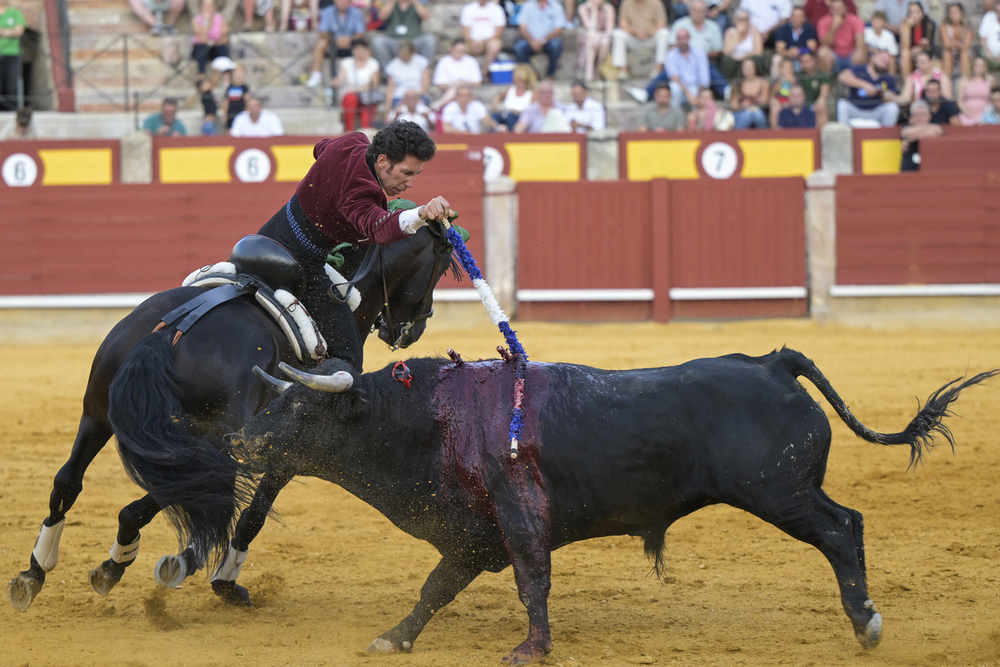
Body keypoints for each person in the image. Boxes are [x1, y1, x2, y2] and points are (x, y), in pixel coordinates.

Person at [255, 121, 449, 370]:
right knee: (349, 356)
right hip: (300, 263)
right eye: (406, 173)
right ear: (382, 162)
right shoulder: (360, 191)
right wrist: (420, 213)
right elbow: (379, 229)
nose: (410, 183)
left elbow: (320, 148)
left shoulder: (352, 142)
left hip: (266, 238)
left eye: (415, 174)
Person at [670, 0, 727, 97]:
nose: (699, 14)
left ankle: (727, 92)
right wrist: (687, 52)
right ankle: (647, 92)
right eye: (696, 11)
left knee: (708, 68)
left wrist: (701, 56)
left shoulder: (713, 27)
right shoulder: (679, 24)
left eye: (702, 11)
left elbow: (718, 50)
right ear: (690, 11)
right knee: (668, 72)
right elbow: (671, 46)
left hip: (706, 60)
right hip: (682, 61)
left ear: (706, 12)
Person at [304, 0, 366, 88]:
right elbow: (323, 32)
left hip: (350, 43)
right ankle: (316, 74)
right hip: (332, 43)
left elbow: (361, 32)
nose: (342, 2)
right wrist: (336, 40)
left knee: (362, 45)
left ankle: (363, 75)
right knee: (321, 43)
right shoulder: (327, 12)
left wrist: (349, 39)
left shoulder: (356, 13)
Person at [645, 28, 709, 107]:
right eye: (679, 38)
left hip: (695, 86)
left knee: (700, 93)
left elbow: (704, 79)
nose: (682, 41)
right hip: (680, 86)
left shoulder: (700, 53)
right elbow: (674, 78)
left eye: (684, 38)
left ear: (689, 38)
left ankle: (697, 116)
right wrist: (688, 94)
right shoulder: (670, 54)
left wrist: (698, 95)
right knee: (674, 87)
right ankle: (675, 113)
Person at [836, 50, 899, 127]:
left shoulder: (888, 78)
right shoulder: (859, 69)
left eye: (886, 63)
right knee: (842, 104)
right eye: (882, 60)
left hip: (875, 112)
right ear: (873, 58)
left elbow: (892, 97)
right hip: (856, 109)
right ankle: (843, 134)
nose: (883, 65)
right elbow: (842, 77)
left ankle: (886, 136)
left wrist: (883, 94)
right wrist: (864, 85)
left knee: (892, 108)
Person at [611, 0, 670, 79]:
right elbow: (623, 24)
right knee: (618, 34)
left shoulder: (656, 3)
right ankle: (623, 71)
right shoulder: (626, 3)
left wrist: (648, 32)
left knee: (664, 33)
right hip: (633, 38)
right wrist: (635, 32)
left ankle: (658, 69)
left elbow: (661, 23)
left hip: (650, 38)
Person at [333, 38, 381, 131]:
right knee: (350, 97)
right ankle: (348, 130)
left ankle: (367, 135)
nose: (360, 53)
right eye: (357, 50)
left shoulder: (373, 63)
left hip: (367, 97)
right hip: (350, 96)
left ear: (367, 51)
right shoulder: (346, 62)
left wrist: (355, 89)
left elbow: (374, 84)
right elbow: (341, 79)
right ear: (353, 51)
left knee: (366, 121)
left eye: (362, 50)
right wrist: (337, 81)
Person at [513, 0, 567, 80]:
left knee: (556, 46)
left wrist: (542, 41)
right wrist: (532, 41)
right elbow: (522, 27)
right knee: (519, 47)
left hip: (548, 40)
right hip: (530, 40)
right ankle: (532, 75)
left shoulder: (556, 6)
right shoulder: (528, 6)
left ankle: (550, 75)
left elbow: (559, 29)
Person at [371, 0, 435, 69]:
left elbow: (426, 16)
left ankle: (424, 71)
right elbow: (381, 16)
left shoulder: (417, 4)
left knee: (429, 40)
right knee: (378, 41)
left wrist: (414, 2)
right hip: (394, 40)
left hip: (414, 41)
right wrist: (392, 2)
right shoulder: (391, 4)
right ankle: (388, 73)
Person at [431, 38, 483, 110]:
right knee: (455, 89)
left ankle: (439, 104)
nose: (460, 53)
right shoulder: (443, 62)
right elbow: (441, 86)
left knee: (461, 90)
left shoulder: (471, 61)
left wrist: (463, 83)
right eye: (458, 50)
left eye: (463, 51)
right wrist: (455, 84)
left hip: (469, 92)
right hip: (449, 91)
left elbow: (477, 83)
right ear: (451, 49)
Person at [816, 0, 865, 74]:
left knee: (861, 52)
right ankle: (828, 82)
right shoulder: (822, 22)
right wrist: (834, 27)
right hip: (834, 54)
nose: (838, 11)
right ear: (830, 10)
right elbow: (825, 44)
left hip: (851, 54)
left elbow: (860, 41)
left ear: (846, 9)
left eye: (840, 8)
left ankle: (854, 80)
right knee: (822, 52)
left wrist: (859, 51)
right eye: (835, 9)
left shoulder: (856, 20)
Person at [460, 0, 505, 76]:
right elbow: (465, 32)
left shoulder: (497, 9)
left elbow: (498, 33)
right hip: (472, 41)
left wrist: (482, 42)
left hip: (490, 41)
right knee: (460, 47)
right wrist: (474, 42)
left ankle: (484, 73)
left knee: (495, 46)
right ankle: (465, 75)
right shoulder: (468, 9)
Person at [384, 39, 430, 111]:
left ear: (412, 53)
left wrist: (413, 97)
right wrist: (388, 108)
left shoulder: (421, 62)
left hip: (418, 95)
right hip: (400, 96)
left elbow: (425, 85)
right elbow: (391, 88)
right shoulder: (392, 66)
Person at [191, 0, 231, 84]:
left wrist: (212, 42)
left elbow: (225, 37)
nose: (209, 8)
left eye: (211, 5)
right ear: (201, 7)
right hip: (201, 49)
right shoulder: (196, 20)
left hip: (215, 47)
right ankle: (201, 75)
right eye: (206, 5)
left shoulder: (220, 18)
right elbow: (202, 37)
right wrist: (206, 21)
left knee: (222, 48)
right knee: (202, 47)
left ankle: (227, 76)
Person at [771, 6, 817, 75]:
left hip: (802, 55)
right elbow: (779, 49)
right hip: (787, 56)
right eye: (795, 17)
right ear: (790, 17)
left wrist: (800, 51)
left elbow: (812, 47)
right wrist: (789, 53)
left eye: (800, 17)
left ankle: (809, 81)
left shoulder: (809, 28)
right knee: (777, 58)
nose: (797, 19)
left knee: (808, 58)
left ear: (804, 18)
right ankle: (776, 82)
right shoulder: (782, 29)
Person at [577, 0, 615, 82]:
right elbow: (589, 27)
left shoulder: (608, 8)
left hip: (603, 38)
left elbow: (609, 30)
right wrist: (594, 11)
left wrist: (600, 37)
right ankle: (589, 71)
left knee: (605, 42)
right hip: (587, 38)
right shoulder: (582, 8)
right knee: (591, 36)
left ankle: (598, 69)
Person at [490, 62, 536, 130]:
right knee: (495, 116)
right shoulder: (510, 89)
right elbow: (498, 97)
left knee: (511, 117)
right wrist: (495, 103)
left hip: (518, 119)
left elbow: (533, 111)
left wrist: (516, 112)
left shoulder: (531, 94)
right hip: (504, 116)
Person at [720, 9, 764, 79]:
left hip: (748, 58)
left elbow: (759, 51)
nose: (743, 22)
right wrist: (737, 34)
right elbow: (726, 52)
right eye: (740, 19)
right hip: (733, 61)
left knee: (755, 60)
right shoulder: (729, 32)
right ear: (735, 20)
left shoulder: (754, 30)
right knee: (727, 60)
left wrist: (745, 56)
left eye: (745, 19)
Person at [900, 99, 940, 170]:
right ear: (912, 118)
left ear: (929, 116)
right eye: (917, 115)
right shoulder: (907, 126)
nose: (920, 118)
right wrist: (925, 130)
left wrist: (910, 139)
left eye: (923, 114)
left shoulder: (934, 124)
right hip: (909, 168)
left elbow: (936, 131)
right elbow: (905, 132)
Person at [899, 0, 936, 78]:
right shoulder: (905, 25)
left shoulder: (928, 25)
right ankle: (907, 81)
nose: (913, 15)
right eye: (911, 12)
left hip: (924, 50)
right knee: (905, 53)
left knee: (922, 55)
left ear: (922, 13)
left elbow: (929, 45)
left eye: (916, 12)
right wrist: (907, 27)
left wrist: (921, 47)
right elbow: (905, 46)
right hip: (910, 52)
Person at [0, 0, 24, 112]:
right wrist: (10, 32)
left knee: (11, 84)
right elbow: (14, 31)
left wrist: (2, 32)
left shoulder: (15, 13)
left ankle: (12, 111)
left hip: (12, 53)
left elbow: (19, 30)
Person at [796, 49, 831, 125]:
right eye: (802, 62)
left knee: (822, 106)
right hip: (799, 106)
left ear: (813, 61)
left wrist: (821, 100)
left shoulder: (822, 75)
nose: (805, 64)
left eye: (807, 61)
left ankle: (821, 135)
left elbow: (825, 90)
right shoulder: (797, 76)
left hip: (814, 106)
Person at [958, 56, 996, 125]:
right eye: (977, 65)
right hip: (967, 114)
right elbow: (960, 101)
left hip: (986, 114)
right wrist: (968, 113)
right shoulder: (964, 80)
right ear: (972, 66)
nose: (979, 68)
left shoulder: (990, 80)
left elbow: (994, 97)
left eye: (982, 66)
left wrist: (987, 113)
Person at [732, 57, 768, 128]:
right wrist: (742, 106)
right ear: (741, 69)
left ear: (755, 68)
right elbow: (734, 105)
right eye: (745, 68)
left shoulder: (763, 82)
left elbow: (764, 101)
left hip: (758, 111)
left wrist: (752, 105)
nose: (748, 70)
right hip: (742, 113)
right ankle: (738, 136)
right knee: (747, 114)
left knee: (757, 113)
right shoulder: (737, 84)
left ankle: (764, 136)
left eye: (750, 67)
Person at [941, 3, 972, 79]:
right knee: (947, 53)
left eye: (955, 13)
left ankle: (963, 79)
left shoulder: (967, 27)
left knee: (964, 53)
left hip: (963, 52)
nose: (953, 16)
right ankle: (947, 79)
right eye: (950, 13)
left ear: (961, 14)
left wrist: (955, 44)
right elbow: (946, 44)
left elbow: (966, 45)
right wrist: (959, 44)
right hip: (950, 51)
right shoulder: (944, 27)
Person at [222, 64, 249, 131]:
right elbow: (226, 102)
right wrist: (224, 115)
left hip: (241, 114)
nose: (238, 76)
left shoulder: (244, 87)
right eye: (236, 74)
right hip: (230, 114)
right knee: (229, 131)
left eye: (240, 74)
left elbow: (247, 101)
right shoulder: (229, 87)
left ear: (244, 75)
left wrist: (247, 113)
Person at [979, 3, 1000, 68]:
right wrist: (987, 51)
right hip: (989, 55)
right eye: (997, 11)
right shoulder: (988, 17)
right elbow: (982, 37)